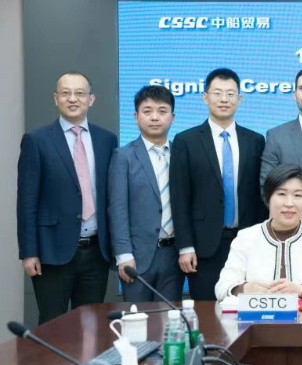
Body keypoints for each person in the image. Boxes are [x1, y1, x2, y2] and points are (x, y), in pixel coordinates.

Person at [17, 72, 118, 324]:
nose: (73, 99)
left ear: (91, 99)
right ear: (56, 98)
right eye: (66, 93)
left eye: (80, 93)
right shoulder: (37, 140)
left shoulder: (107, 140)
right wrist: (29, 252)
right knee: (53, 326)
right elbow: (27, 201)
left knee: (92, 325)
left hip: (96, 253)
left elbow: (111, 197)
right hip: (52, 252)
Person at [171, 68, 267, 301]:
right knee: (207, 311)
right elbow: (180, 198)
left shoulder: (255, 140)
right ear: (206, 97)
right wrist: (185, 246)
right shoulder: (186, 141)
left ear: (239, 99)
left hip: (247, 242)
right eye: (217, 93)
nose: (224, 99)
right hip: (204, 247)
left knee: (247, 308)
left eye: (230, 94)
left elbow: (260, 196)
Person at [215, 164, 302, 300]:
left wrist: (301, 290)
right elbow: (222, 287)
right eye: (281, 194)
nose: (289, 203)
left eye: (298, 195)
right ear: (268, 198)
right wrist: (246, 289)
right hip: (259, 313)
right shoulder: (246, 237)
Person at [108, 85, 184, 302]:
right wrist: (124, 255)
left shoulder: (182, 154)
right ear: (136, 117)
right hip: (137, 257)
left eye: (162, 111)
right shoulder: (123, 156)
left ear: (172, 117)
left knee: (169, 318)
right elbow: (118, 209)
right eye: (147, 111)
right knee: (137, 319)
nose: (155, 117)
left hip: (174, 255)